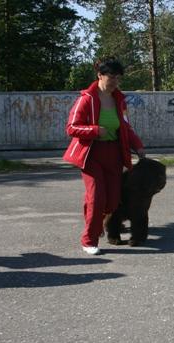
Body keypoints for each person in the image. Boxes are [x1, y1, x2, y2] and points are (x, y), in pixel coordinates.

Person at [63, 57, 145, 255]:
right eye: (112, 77)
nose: (116, 81)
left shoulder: (119, 99)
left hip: (114, 154)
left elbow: (125, 126)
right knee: (96, 198)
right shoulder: (86, 99)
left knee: (112, 201)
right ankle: (89, 240)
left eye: (119, 78)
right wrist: (94, 130)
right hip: (91, 155)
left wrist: (139, 147)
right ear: (100, 75)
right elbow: (71, 128)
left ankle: (94, 216)